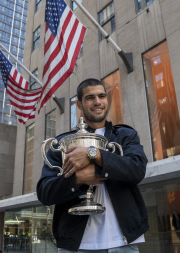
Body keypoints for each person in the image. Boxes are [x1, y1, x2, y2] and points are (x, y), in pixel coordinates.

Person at [37, 78, 149, 252]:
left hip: (123, 241)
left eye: (102, 96)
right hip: (75, 245)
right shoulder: (62, 143)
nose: (97, 102)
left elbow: (137, 169)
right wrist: (78, 179)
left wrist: (94, 154)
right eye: (90, 97)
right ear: (79, 104)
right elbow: (45, 193)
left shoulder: (125, 135)